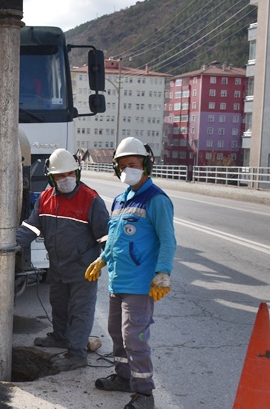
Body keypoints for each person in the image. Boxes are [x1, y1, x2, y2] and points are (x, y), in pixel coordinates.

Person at [85, 137, 176, 409]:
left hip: (140, 284)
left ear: (145, 165)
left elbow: (168, 240)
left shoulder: (156, 200)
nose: (127, 170)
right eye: (122, 166)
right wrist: (101, 260)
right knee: (116, 332)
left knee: (134, 339)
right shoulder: (120, 200)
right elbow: (114, 240)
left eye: (133, 164)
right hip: (118, 281)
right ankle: (124, 378)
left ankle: (144, 395)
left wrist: (162, 274)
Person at [16, 148, 109, 371]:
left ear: (77, 173)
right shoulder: (46, 198)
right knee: (58, 305)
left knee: (80, 311)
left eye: (69, 174)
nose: (65, 179)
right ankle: (60, 336)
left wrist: (109, 261)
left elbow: (106, 236)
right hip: (57, 266)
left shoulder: (91, 199)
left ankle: (77, 353)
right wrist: (9, 246)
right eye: (59, 175)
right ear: (51, 178)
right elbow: (31, 227)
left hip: (83, 269)